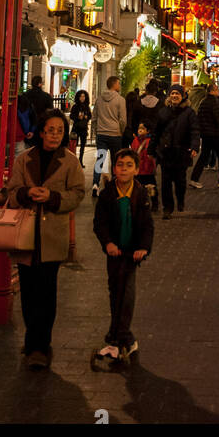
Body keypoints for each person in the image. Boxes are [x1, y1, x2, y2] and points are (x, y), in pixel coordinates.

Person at [0, 108, 85, 369]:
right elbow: (11, 191)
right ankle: (32, 338)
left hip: (51, 236)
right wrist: (26, 193)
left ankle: (40, 346)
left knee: (46, 292)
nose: (55, 135)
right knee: (28, 291)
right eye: (50, 130)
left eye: (60, 131)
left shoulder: (70, 162)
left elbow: (78, 194)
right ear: (41, 131)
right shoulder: (24, 160)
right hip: (25, 234)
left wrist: (53, 198)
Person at [91, 148, 154, 368]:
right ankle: (123, 338)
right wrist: (107, 243)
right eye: (120, 165)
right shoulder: (108, 194)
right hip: (114, 252)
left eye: (129, 165)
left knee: (126, 293)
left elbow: (147, 225)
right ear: (113, 168)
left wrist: (143, 248)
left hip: (131, 253)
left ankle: (117, 337)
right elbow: (100, 223)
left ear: (136, 169)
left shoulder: (141, 194)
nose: (124, 169)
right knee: (115, 290)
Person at [152, 84, 200, 219]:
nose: (174, 96)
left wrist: (194, 146)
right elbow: (157, 132)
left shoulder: (189, 113)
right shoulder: (163, 112)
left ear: (182, 96)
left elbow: (195, 131)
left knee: (180, 181)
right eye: (172, 93)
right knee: (166, 182)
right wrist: (152, 150)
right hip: (166, 152)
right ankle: (167, 207)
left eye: (177, 94)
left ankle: (180, 200)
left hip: (182, 152)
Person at [92, 75, 127, 197]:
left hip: (102, 133)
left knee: (100, 160)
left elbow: (94, 117)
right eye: (118, 83)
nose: (119, 85)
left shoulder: (99, 99)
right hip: (115, 134)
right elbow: (123, 120)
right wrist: (120, 131)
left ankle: (95, 185)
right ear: (115, 84)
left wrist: (96, 130)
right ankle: (114, 186)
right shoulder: (121, 100)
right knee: (115, 161)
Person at [190, 82, 219, 189]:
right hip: (216, 135)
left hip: (206, 134)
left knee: (203, 157)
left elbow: (200, 119)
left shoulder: (203, 102)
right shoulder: (216, 103)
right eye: (216, 89)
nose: (218, 91)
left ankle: (194, 178)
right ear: (212, 91)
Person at [131, 121, 158, 207]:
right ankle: (143, 202)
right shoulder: (135, 141)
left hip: (148, 169)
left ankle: (155, 203)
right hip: (138, 169)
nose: (140, 130)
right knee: (139, 188)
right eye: (139, 128)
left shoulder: (150, 141)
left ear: (148, 131)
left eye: (142, 128)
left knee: (151, 187)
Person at [69, 91, 92, 166]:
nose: (82, 98)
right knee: (73, 145)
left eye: (84, 96)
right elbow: (71, 116)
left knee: (82, 145)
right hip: (76, 128)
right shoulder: (75, 106)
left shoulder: (86, 107)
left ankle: (81, 161)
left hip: (83, 128)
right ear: (78, 97)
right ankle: (73, 161)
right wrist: (78, 117)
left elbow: (90, 116)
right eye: (81, 96)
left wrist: (86, 117)